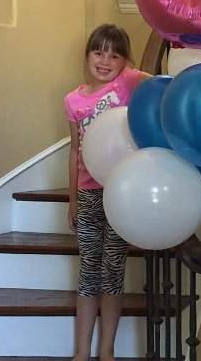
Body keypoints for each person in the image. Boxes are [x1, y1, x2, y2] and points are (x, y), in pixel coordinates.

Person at [64, 24, 150, 361]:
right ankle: (81, 352)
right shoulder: (73, 100)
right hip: (88, 195)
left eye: (114, 56)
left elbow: (161, 85)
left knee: (112, 271)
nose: (105, 61)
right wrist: (72, 199)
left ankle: (107, 351)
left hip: (120, 194)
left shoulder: (127, 82)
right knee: (89, 272)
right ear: (87, 56)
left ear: (125, 61)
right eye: (99, 53)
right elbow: (75, 150)